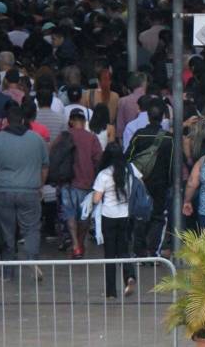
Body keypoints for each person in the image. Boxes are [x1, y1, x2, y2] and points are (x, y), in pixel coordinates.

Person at [0, 104, 49, 275]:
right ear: (24, 120)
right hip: (29, 190)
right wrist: (40, 185)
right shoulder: (37, 140)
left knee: (6, 230)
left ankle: (8, 270)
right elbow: (45, 167)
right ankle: (32, 259)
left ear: (5, 121)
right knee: (31, 228)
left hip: (2, 191)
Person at [127, 99, 174, 257]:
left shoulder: (139, 135)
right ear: (162, 118)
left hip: (140, 184)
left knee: (140, 215)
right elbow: (172, 164)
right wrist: (170, 183)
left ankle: (139, 252)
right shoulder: (169, 138)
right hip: (161, 184)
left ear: (148, 116)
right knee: (158, 217)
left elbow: (128, 158)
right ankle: (153, 251)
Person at [91, 143, 137, 298]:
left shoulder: (103, 174)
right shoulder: (129, 171)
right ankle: (129, 277)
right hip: (125, 216)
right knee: (124, 250)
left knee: (109, 254)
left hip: (108, 217)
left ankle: (111, 291)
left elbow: (96, 199)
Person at [57, 109, 102, 259]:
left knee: (69, 215)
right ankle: (80, 245)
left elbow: (53, 155)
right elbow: (98, 160)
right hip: (87, 183)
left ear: (70, 121)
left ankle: (75, 245)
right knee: (84, 217)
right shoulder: (92, 138)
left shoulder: (64, 136)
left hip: (67, 182)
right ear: (84, 122)